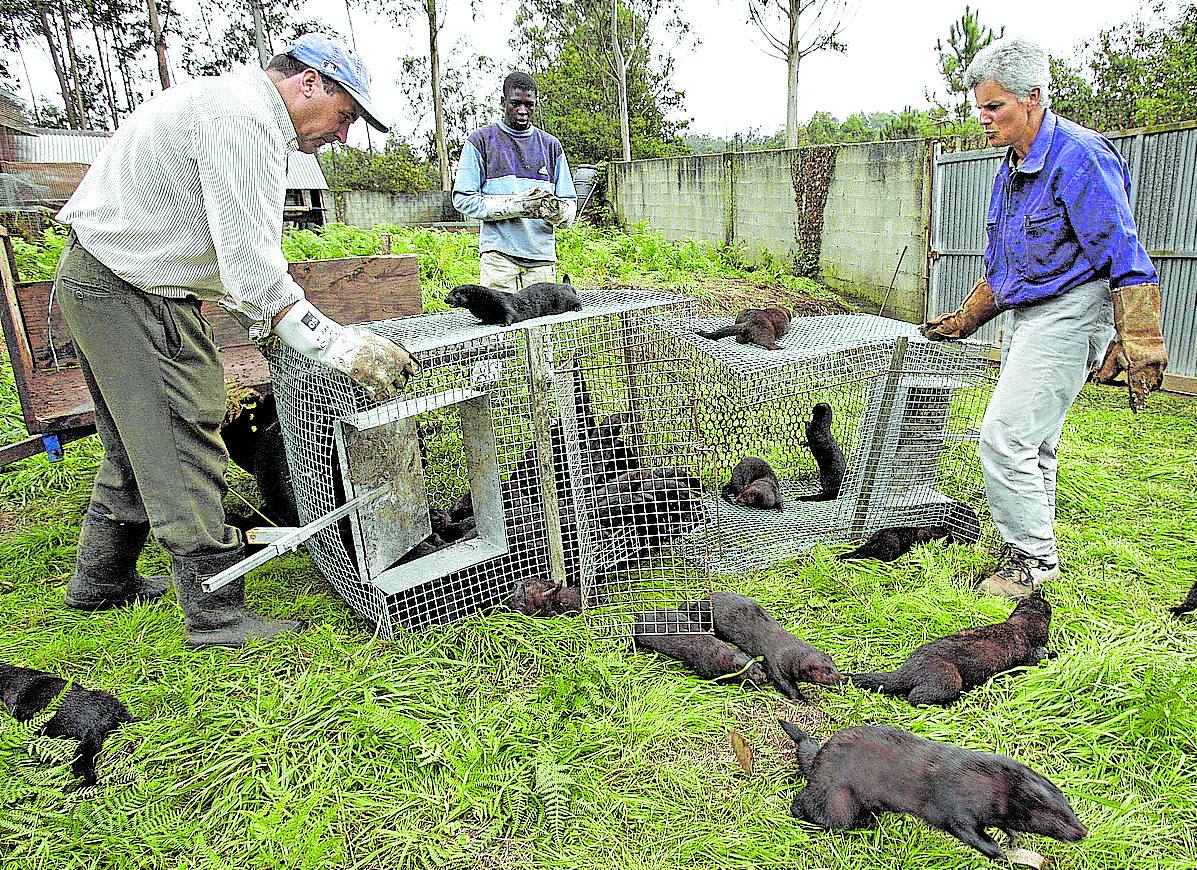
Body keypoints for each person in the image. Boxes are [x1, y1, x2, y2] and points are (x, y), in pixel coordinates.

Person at [54, 34, 420, 648]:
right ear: (309, 84)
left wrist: (269, 324)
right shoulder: (246, 120)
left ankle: (101, 580)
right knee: (185, 434)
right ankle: (216, 612)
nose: (344, 135)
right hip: (131, 293)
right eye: (345, 115)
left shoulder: (229, 105)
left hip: (101, 280)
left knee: (136, 442)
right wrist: (339, 348)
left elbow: (225, 252)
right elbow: (252, 268)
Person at [923, 36, 1167, 599]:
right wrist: (966, 318)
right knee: (1035, 444)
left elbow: (1123, 250)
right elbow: (1010, 265)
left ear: (1033, 97)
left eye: (994, 106)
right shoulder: (1010, 170)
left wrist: (1141, 339)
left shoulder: (1080, 157)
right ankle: (1029, 547)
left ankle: (1031, 565)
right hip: (1026, 315)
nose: (981, 119)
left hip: (1072, 311)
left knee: (1004, 438)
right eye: (979, 107)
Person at [452, 71, 577, 291]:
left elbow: (569, 207)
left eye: (528, 104)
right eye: (515, 103)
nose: (522, 111)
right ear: (502, 102)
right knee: (500, 325)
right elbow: (462, 199)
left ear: (536, 103)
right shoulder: (481, 141)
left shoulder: (551, 146)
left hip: (541, 259)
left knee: (540, 326)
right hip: (499, 258)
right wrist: (513, 206)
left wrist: (555, 211)